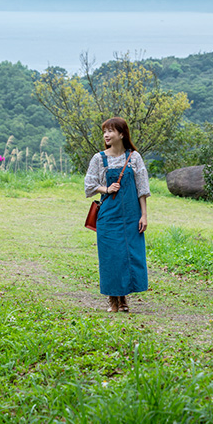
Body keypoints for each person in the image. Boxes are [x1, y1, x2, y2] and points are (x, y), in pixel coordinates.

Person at [84, 116, 150, 313]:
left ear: (121, 134)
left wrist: (144, 215)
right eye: (104, 131)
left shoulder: (134, 157)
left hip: (132, 216)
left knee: (129, 255)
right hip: (108, 217)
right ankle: (113, 300)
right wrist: (106, 189)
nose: (106, 135)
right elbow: (89, 187)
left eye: (110, 131)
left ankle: (124, 300)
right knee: (111, 257)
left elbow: (142, 189)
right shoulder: (99, 158)